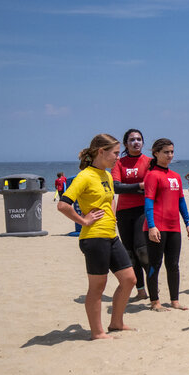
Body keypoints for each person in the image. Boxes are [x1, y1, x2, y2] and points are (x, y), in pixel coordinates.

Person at [56, 134, 138, 340]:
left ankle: (116, 323)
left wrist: (113, 217)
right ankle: (97, 332)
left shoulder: (107, 176)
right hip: (93, 237)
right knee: (98, 287)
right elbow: (63, 205)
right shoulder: (84, 176)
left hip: (111, 235)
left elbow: (110, 199)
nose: (118, 158)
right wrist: (84, 220)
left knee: (129, 279)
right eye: (116, 153)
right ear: (101, 152)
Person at [144, 138, 189, 311]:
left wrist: (187, 222)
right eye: (166, 152)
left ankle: (175, 300)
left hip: (174, 227)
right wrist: (151, 226)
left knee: (173, 264)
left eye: (172, 152)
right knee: (155, 264)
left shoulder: (176, 177)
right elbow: (148, 202)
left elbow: (181, 201)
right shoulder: (152, 175)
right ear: (156, 153)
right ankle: (155, 302)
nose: (170, 155)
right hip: (156, 227)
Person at [111, 128, 152, 301]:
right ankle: (140, 291)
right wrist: (139, 187)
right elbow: (116, 187)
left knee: (142, 250)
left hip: (143, 210)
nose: (136, 142)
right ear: (126, 143)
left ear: (143, 142)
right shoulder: (119, 163)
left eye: (139, 139)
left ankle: (154, 291)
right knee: (129, 254)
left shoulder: (150, 162)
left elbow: (151, 186)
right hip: (123, 211)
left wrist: (136, 187)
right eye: (132, 140)